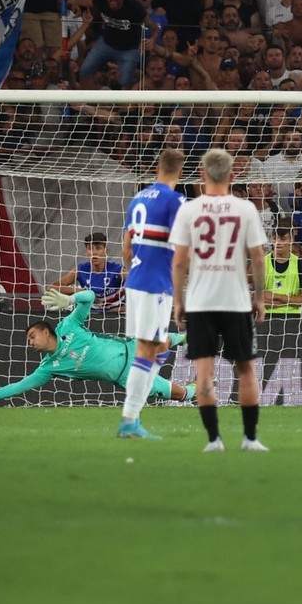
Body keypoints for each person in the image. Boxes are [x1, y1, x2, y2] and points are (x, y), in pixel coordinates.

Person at [171, 148, 269, 452]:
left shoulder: (189, 210)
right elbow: (258, 258)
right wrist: (260, 298)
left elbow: (178, 261)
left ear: (202, 175)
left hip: (200, 302)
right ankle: (250, 438)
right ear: (232, 175)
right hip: (235, 301)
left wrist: (178, 301)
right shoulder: (245, 209)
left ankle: (214, 440)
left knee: (204, 374)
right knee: (246, 370)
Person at [0, 290, 195, 407]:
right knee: (178, 394)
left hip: (130, 349)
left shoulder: (68, 326)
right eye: (28, 341)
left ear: (46, 331)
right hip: (128, 377)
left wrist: (69, 299)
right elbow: (20, 386)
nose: (31, 342)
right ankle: (198, 389)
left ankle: (187, 336)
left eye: (32, 336)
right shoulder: (48, 368)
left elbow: (90, 296)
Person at [117, 148, 186, 440]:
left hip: (136, 279)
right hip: (155, 283)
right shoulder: (175, 200)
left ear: (158, 167)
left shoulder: (138, 198)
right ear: (180, 172)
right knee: (146, 349)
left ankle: (134, 416)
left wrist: (133, 269)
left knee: (159, 348)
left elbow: (126, 247)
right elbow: (182, 249)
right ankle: (129, 420)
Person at [50, 231, 124, 311]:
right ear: (86, 252)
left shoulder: (118, 270)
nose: (94, 252)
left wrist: (120, 309)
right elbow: (52, 287)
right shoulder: (81, 270)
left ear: (106, 251)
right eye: (90, 248)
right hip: (89, 315)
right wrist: (80, 291)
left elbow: (134, 286)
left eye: (98, 248)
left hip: (115, 315)